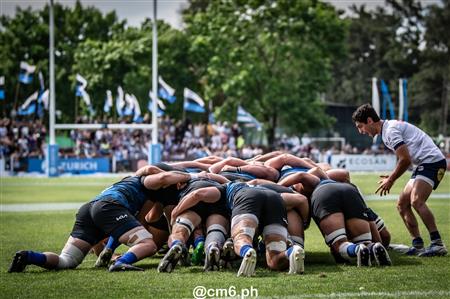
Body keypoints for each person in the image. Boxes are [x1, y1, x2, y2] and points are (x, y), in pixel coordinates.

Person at [8, 176, 159, 273]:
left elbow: (103, 233)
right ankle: (121, 262)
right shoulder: (145, 189)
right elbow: (139, 220)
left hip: (88, 209)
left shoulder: (122, 182)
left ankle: (29, 256)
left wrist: (106, 250)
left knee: (65, 261)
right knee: (148, 243)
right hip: (109, 207)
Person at [352, 103, 447, 256]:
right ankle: (418, 245)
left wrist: (391, 180)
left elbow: (405, 160)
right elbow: (405, 159)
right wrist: (391, 177)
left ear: (369, 121)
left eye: (360, 126)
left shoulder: (390, 131)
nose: (360, 131)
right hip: (424, 164)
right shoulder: (386, 131)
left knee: (416, 201)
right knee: (402, 204)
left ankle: (437, 244)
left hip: (432, 162)